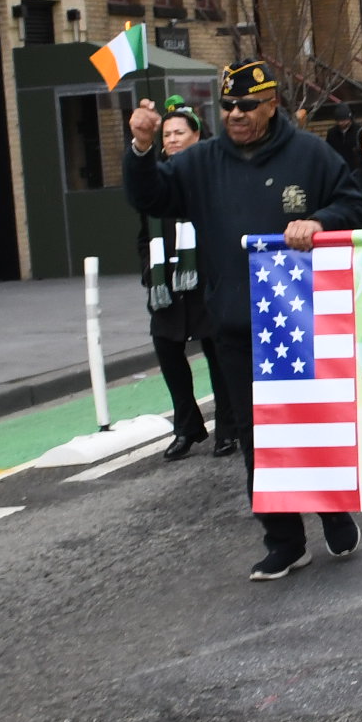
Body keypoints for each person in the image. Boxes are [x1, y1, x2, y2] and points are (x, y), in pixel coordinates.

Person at [126, 59, 362, 580]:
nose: (236, 114)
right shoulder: (203, 161)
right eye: (228, 105)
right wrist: (142, 151)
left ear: (272, 104)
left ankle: (331, 508)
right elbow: (149, 197)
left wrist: (319, 221)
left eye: (247, 106)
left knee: (307, 422)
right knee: (259, 435)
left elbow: (353, 204)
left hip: (298, 317)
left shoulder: (309, 155)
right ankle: (283, 539)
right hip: (234, 322)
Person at [140, 106, 216, 460]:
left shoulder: (212, 175)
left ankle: (229, 427)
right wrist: (149, 274)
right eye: (166, 134)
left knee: (218, 353)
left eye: (178, 133)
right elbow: (144, 235)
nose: (171, 139)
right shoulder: (156, 180)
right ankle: (187, 426)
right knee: (166, 348)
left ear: (196, 136)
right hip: (167, 284)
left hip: (207, 281)